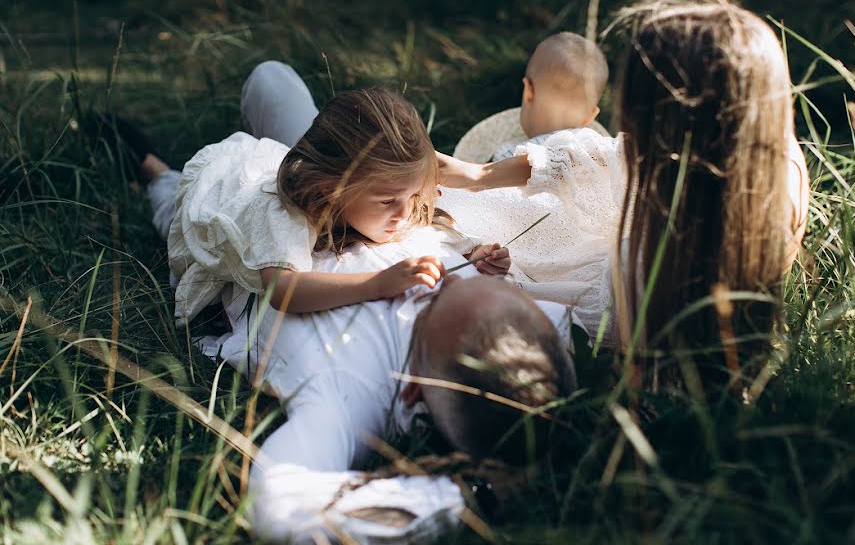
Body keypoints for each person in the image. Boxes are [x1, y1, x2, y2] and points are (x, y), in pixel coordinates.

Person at [128, 61, 578, 542]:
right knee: (270, 78)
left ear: (412, 389)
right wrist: (474, 259)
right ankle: (318, 146)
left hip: (243, 230)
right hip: (334, 197)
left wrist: (467, 496)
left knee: (185, 203)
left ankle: (152, 170)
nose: (441, 281)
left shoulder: (350, 390)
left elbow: (280, 506)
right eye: (462, 283)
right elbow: (557, 321)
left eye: (440, 296)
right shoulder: (521, 332)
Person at [440, 0, 810, 391]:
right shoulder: (770, 167)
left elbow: (596, 161)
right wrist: (478, 176)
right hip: (629, 279)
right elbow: (594, 160)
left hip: (602, 286)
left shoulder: (648, 280)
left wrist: (477, 180)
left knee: (468, 237)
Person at [163, 75, 510, 325]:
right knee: (164, 201)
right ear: (333, 190)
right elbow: (283, 290)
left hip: (268, 164)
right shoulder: (285, 213)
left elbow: (426, 229)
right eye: (388, 201)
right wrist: (377, 283)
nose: (405, 213)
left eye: (414, 195)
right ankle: (152, 169)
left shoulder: (387, 198)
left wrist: (470, 258)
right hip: (212, 200)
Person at [434, 32, 619, 336]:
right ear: (591, 115)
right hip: (594, 272)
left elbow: (494, 205)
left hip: (529, 264)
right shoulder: (595, 153)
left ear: (527, 91)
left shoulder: (506, 159)